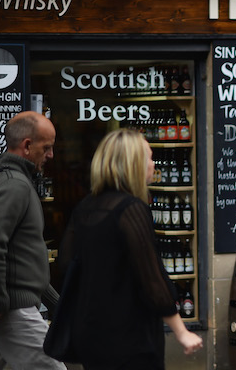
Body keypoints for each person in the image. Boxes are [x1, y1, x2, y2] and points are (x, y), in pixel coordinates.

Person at [56, 128, 202, 369]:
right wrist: (181, 331)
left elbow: (66, 261)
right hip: (127, 333)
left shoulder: (86, 206)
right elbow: (151, 274)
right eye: (149, 157)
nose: (154, 164)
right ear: (133, 164)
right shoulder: (131, 208)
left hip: (90, 329)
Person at [0, 111, 66, 370]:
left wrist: (58, 305)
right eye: (47, 147)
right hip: (12, 309)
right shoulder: (15, 185)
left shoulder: (5, 180)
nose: (51, 155)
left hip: (5, 305)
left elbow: (23, 256)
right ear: (28, 146)